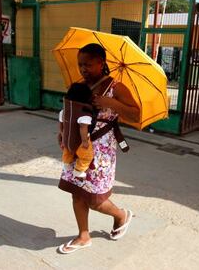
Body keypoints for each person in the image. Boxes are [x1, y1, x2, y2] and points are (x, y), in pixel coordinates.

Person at [57, 43, 140, 254]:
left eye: (88, 64)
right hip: (76, 146)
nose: (83, 69)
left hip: (101, 150)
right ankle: (84, 235)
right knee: (76, 192)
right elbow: (69, 111)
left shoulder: (116, 87)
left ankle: (120, 215)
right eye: (80, 65)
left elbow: (135, 115)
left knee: (95, 199)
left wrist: (110, 103)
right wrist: (62, 132)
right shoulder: (79, 85)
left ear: (101, 63)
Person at [59, 82, 94, 178]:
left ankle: (67, 164)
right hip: (79, 142)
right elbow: (83, 128)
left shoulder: (64, 111)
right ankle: (79, 170)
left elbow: (61, 126)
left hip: (66, 140)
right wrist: (85, 142)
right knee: (86, 156)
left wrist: (63, 137)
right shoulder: (84, 114)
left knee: (68, 152)